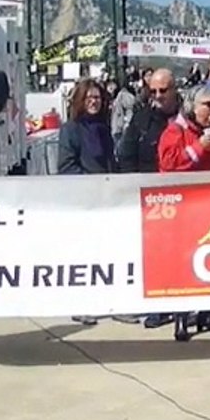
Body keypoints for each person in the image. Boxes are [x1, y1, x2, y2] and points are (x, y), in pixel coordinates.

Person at [157, 85, 210, 342]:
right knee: (184, 264)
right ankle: (181, 317)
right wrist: (199, 147)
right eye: (208, 105)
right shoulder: (175, 130)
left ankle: (207, 314)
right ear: (193, 106)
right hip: (184, 210)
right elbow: (169, 165)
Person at [57, 78, 131, 325]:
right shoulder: (71, 129)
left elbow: (112, 162)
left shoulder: (103, 128)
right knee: (85, 256)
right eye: (88, 98)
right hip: (84, 202)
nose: (93, 101)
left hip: (108, 201)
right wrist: (93, 185)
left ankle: (116, 303)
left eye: (97, 98)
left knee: (112, 255)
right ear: (79, 100)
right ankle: (82, 304)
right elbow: (66, 167)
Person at [117, 68, 180, 329]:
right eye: (152, 91)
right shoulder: (141, 120)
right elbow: (127, 156)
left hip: (185, 196)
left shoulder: (187, 117)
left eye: (163, 91)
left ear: (174, 90)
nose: (157, 96)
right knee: (158, 255)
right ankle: (159, 306)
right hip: (152, 199)